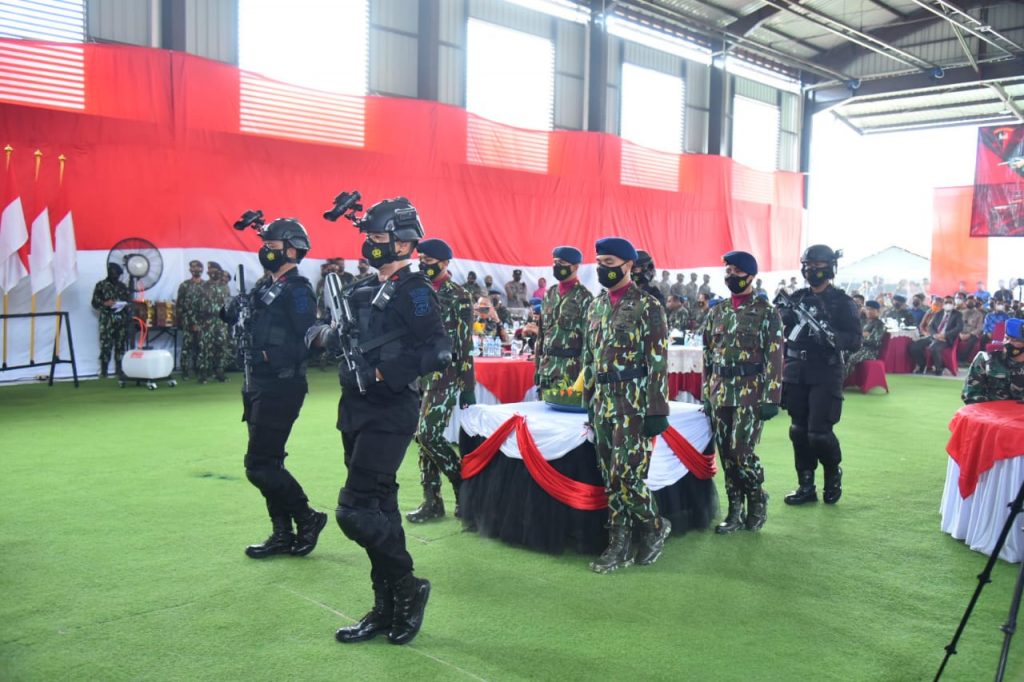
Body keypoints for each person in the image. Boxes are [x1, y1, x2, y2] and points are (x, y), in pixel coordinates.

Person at [308, 197, 449, 646]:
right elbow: (328, 332)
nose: (370, 245)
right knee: (381, 508)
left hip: (391, 409)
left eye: (379, 238)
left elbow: (439, 350)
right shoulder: (359, 289)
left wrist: (387, 372)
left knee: (354, 510)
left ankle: (408, 587)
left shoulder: (417, 291)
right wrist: (327, 337)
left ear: (405, 243)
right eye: (367, 237)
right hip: (354, 408)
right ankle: (386, 605)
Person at [219, 218, 326, 560]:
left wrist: (269, 354)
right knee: (271, 462)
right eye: (265, 245)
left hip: (283, 383)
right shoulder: (263, 287)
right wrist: (234, 309)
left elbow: (308, 338)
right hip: (257, 383)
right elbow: (231, 316)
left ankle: (307, 517)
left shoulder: (297, 290)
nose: (266, 250)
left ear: (292, 249)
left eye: (273, 245)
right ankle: (282, 532)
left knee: (259, 464)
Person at [582, 237, 670, 573]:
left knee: (628, 475)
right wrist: (588, 399)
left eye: (609, 263)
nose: (602, 269)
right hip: (603, 402)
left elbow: (658, 362)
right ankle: (618, 542)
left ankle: (654, 526)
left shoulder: (649, 307)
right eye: (599, 262)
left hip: (633, 402)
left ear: (629, 266)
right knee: (609, 476)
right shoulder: (596, 305)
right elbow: (589, 357)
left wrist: (657, 409)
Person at [700, 251, 782, 534]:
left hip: (750, 391)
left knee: (741, 452)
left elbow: (774, 358)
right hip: (720, 391)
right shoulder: (717, 311)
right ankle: (735, 509)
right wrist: (705, 393)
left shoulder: (766, 312)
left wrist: (771, 397)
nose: (731, 276)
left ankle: (757, 499)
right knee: (725, 454)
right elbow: (708, 355)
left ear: (750, 276)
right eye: (728, 270)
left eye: (737, 271)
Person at [779, 245, 861, 507]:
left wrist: (832, 337)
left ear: (830, 267)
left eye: (818, 265)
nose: (812, 270)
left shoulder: (842, 301)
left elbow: (855, 340)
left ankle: (832, 474)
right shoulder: (798, 298)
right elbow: (783, 329)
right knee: (798, 430)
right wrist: (786, 317)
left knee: (819, 433)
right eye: (808, 265)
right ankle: (806, 485)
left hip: (825, 370)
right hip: (796, 369)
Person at [407, 238, 476, 524]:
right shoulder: (416, 291)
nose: (423, 263)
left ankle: (465, 488)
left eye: (429, 260)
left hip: (445, 375)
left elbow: (465, 343)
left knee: (429, 435)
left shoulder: (458, 296)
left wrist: (468, 385)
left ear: (445, 263)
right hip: (416, 374)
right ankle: (432, 501)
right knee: (421, 439)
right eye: (420, 258)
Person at [535, 246, 593, 390]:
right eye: (555, 262)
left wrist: (583, 378)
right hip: (546, 370)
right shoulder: (550, 294)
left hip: (570, 372)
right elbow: (541, 336)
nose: (556, 266)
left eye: (561, 263)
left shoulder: (585, 297)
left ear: (574, 267)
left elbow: (588, 341)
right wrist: (537, 367)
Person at [962, 318, 1024, 403]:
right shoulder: (986, 359)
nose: (1008, 343)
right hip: (989, 413)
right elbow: (971, 395)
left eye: (1015, 340)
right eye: (1006, 338)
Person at [91, 262, 131, 378]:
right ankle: (104, 371)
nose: (116, 276)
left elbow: (128, 301)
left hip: (121, 320)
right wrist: (105, 303)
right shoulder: (101, 285)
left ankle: (119, 369)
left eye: (118, 274)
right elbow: (94, 303)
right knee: (106, 345)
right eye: (115, 273)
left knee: (120, 345)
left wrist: (124, 305)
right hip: (107, 320)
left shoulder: (122, 286)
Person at [909, 295, 962, 375]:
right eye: (946, 302)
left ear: (953, 304)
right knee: (913, 347)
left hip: (946, 339)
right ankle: (922, 365)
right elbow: (930, 326)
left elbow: (959, 327)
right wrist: (934, 335)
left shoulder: (957, 314)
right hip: (934, 337)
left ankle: (939, 368)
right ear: (943, 304)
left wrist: (945, 335)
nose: (948, 304)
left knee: (933, 348)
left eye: (950, 302)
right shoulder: (938, 313)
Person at [176, 260, 207, 380]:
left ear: (202, 269)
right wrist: (179, 320)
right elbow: (179, 304)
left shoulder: (206, 285)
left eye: (197, 267)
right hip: (187, 321)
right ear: (190, 270)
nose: (195, 269)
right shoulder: (184, 285)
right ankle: (185, 371)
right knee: (187, 347)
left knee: (201, 346)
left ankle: (200, 370)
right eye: (192, 267)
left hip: (202, 322)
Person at [844, 301, 886, 382]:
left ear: (878, 311)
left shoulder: (879, 324)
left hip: (870, 351)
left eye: (872, 309)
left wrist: (861, 336)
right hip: (859, 347)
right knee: (843, 354)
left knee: (852, 358)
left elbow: (875, 342)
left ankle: (842, 382)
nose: (869, 311)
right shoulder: (862, 322)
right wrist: (864, 335)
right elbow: (854, 334)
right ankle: (841, 380)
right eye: (867, 309)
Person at [203, 261, 230, 382]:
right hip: (207, 322)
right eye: (210, 270)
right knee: (206, 348)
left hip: (221, 323)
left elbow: (228, 305)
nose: (212, 272)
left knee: (221, 347)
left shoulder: (225, 287)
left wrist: (229, 321)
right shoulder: (203, 286)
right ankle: (205, 373)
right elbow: (197, 306)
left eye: (214, 270)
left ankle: (220, 372)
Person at [958, 296, 985, 364]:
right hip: (960, 333)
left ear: (975, 302)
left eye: (972, 301)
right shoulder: (960, 313)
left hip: (972, 334)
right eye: (969, 301)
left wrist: (969, 334)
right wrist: (959, 333)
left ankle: (962, 360)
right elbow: (956, 325)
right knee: (950, 338)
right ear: (966, 302)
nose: (970, 303)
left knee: (971, 342)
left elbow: (979, 328)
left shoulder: (979, 314)